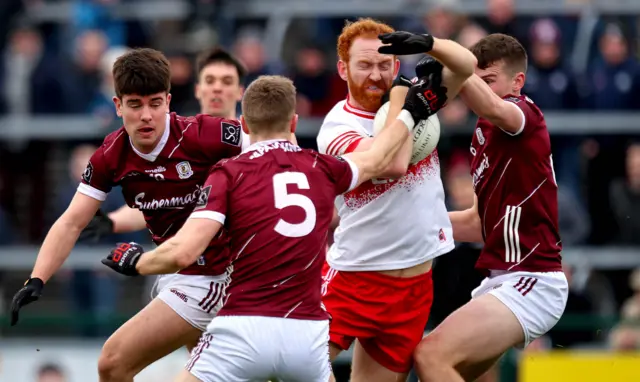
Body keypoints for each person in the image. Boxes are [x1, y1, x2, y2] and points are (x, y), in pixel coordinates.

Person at [99, 73, 446, 382]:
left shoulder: (228, 173)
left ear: (244, 125)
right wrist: (410, 111)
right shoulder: (323, 168)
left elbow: (184, 251)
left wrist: (137, 262)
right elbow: (379, 156)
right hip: (308, 338)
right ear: (294, 122)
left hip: (244, 330)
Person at [9, 48, 247, 382]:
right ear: (118, 105)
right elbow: (71, 221)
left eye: (155, 103)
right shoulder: (110, 156)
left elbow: (278, 147)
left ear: (168, 100)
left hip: (218, 275)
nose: (146, 115)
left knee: (113, 362)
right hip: (175, 273)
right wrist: (37, 278)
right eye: (135, 104)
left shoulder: (204, 134)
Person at [315, 19, 476, 380]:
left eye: (384, 64)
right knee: (297, 370)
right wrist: (409, 105)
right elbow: (394, 164)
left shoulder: (418, 100)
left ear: (397, 65)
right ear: (343, 69)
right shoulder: (338, 128)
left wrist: (429, 42)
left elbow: (465, 65)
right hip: (355, 280)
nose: (375, 74)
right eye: (364, 65)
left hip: (414, 286)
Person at [411, 33, 569, 382]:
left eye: (489, 81)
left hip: (532, 279)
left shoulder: (524, 113)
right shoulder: (484, 134)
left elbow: (494, 107)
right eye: (477, 80)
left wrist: (453, 64)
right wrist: (407, 222)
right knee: (456, 371)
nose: (481, 89)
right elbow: (478, 224)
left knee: (430, 356)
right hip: (501, 279)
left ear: (518, 81)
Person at [80, 47, 247, 242]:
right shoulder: (177, 138)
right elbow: (156, 203)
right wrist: (113, 221)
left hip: (240, 252)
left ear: (240, 92)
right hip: (185, 259)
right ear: (198, 89)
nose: (217, 88)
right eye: (209, 80)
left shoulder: (251, 143)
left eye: (227, 81)